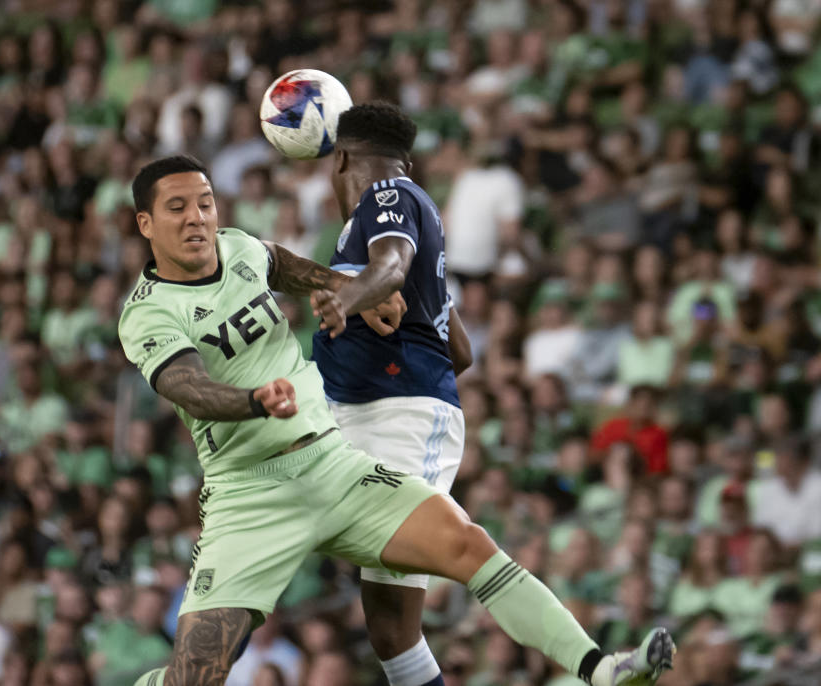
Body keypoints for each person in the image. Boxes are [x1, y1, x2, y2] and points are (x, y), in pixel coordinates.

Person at [118, 155, 674, 686]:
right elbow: (187, 387)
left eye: (206, 203)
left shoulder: (238, 248)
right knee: (197, 675)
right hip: (248, 495)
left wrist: (343, 289)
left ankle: (600, 669)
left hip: (331, 463)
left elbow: (282, 264)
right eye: (177, 208)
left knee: (466, 543)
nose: (197, 217)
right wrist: (254, 401)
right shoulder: (147, 313)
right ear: (146, 222)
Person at [311, 101, 472, 686]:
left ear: (344, 158)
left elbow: (392, 267)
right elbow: (463, 352)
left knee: (439, 563)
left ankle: (589, 660)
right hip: (367, 412)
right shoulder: (401, 215)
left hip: (400, 417)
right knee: (388, 627)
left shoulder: (388, 195)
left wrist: (345, 301)